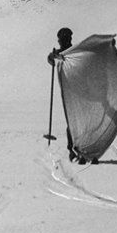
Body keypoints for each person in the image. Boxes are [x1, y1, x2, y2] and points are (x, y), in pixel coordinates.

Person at [47, 27, 77, 161]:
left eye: (61, 39)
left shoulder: (76, 50)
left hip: (78, 89)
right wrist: (51, 57)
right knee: (72, 120)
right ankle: (73, 149)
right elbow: (51, 58)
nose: (60, 41)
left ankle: (76, 149)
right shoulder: (65, 51)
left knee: (75, 120)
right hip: (69, 90)